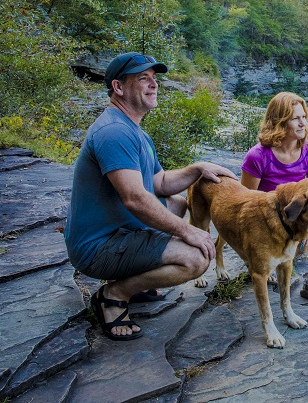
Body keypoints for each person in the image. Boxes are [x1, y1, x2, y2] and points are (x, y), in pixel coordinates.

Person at [65, 52, 237, 341]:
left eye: (154, 79)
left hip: (117, 232)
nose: (153, 85)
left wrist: (198, 168)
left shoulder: (135, 131)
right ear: (118, 87)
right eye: (143, 79)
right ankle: (113, 295)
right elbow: (134, 198)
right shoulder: (114, 132)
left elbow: (159, 182)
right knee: (195, 258)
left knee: (178, 203)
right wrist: (189, 232)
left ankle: (136, 279)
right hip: (97, 247)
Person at [240, 91, 308, 310]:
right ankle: (256, 260)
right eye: (296, 118)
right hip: (267, 224)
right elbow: (244, 202)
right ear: (279, 122)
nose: (303, 123)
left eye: (304, 117)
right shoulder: (258, 156)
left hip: (297, 218)